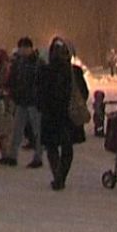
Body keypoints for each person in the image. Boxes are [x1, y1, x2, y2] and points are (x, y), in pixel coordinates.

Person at [38, 37, 87, 191]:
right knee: (67, 147)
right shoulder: (75, 71)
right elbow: (84, 92)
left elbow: (39, 92)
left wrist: (43, 106)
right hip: (68, 116)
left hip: (50, 115)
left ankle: (57, 176)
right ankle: (61, 176)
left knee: (52, 147)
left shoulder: (45, 70)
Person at [1, 37, 43, 168]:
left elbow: (40, 82)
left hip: (33, 101)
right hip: (22, 100)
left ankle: (38, 157)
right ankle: (13, 156)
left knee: (37, 131)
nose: (23, 51)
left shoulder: (37, 63)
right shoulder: (19, 63)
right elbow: (13, 79)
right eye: (21, 48)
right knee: (16, 130)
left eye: (25, 48)